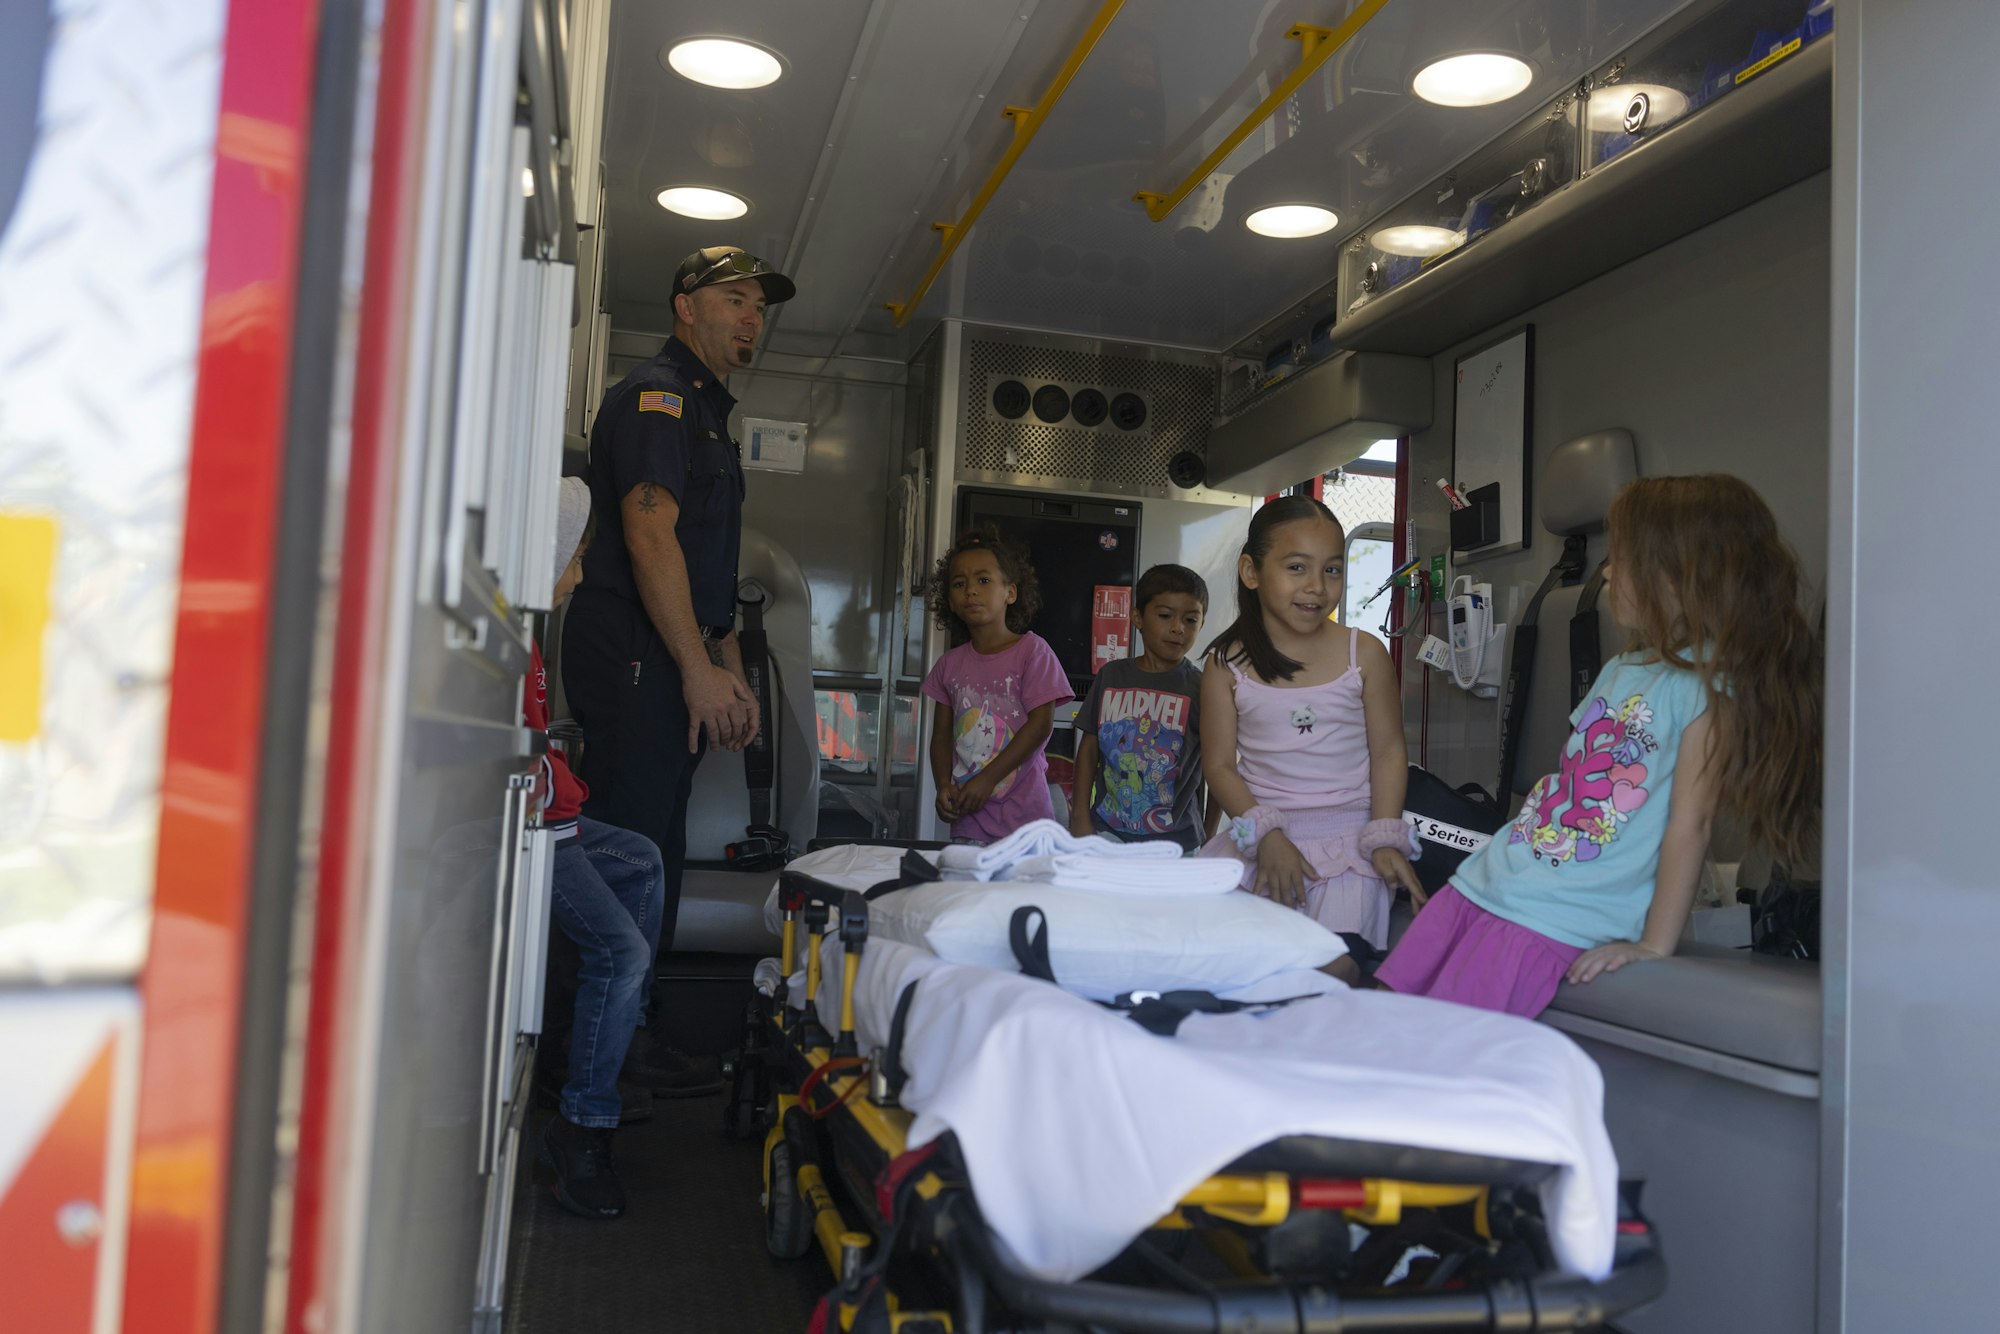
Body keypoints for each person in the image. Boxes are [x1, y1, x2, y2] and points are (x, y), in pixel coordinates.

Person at [1376, 474, 1821, 1017]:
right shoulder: (1623, 667)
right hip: (1492, 879)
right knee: (1388, 1015)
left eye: (1622, 560)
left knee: (1445, 1043)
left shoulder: (1707, 691)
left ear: (1678, 576)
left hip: (1559, 913)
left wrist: (1654, 943)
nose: (1607, 573)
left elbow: (1692, 824)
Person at [561, 246, 796, 951]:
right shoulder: (657, 400)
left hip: (669, 651)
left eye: (759, 307)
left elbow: (700, 562)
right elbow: (649, 535)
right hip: (638, 652)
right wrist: (697, 668)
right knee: (628, 847)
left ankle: (639, 1011)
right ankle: (600, 1019)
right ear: (685, 308)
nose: (752, 319)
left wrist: (726, 663)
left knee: (656, 845)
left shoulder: (704, 411)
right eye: (735, 300)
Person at [1198, 495, 1423, 952]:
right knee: (1239, 966)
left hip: (1350, 852)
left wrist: (1384, 836)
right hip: (1261, 844)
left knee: (1332, 965)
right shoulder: (1225, 664)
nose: (1317, 587)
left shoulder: (1365, 653)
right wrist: (1266, 836)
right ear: (1251, 572)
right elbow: (1218, 765)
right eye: (1297, 567)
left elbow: (1388, 752)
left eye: (1332, 569)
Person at [532, 478, 663, 1219]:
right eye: (574, 558)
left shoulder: (526, 642)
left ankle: (611, 1045)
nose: (579, 576)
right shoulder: (509, 644)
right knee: (622, 952)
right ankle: (581, 1124)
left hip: (554, 821)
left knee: (642, 860)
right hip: (538, 836)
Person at [921, 527, 1072, 842]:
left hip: (1027, 822)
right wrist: (943, 786)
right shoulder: (948, 665)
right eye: (959, 584)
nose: (971, 590)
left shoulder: (1033, 651)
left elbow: (1040, 726)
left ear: (1010, 593)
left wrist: (988, 779)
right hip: (969, 823)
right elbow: (941, 737)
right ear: (950, 601)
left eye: (983, 580)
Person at [1068, 564, 1213, 852]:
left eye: (1190, 619)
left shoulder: (1203, 688)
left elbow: (1218, 767)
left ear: (1201, 624)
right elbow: (1088, 749)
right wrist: (1080, 816)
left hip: (1177, 844)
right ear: (1137, 618)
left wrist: (1210, 837)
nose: (1178, 627)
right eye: (1165, 615)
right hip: (1107, 834)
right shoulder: (1111, 676)